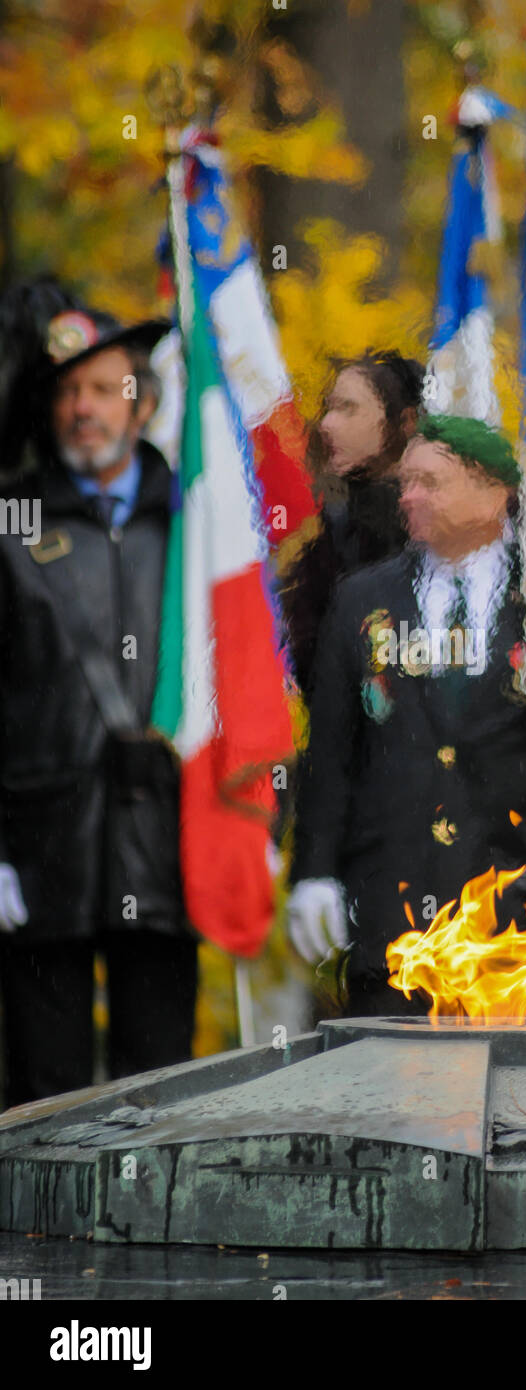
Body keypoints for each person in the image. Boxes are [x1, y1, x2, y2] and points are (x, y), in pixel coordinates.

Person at [286, 413, 526, 1016]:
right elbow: (333, 751)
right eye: (406, 482)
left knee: (512, 1103)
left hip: (513, 919)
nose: (408, 496)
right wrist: (314, 871)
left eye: (430, 482)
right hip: (391, 916)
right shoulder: (363, 598)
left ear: (495, 491)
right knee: (386, 1098)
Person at [0, 297, 199, 1107]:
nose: (82, 408)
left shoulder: (194, 521)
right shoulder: (9, 518)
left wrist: (255, 821)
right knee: (42, 1097)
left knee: (162, 1088)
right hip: (43, 844)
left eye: (100, 388)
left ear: (142, 401)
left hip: (168, 840)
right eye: (65, 392)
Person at [276, 349, 424, 693]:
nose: (327, 424)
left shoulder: (430, 531)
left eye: (348, 409)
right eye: (329, 407)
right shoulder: (334, 523)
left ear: (405, 422)